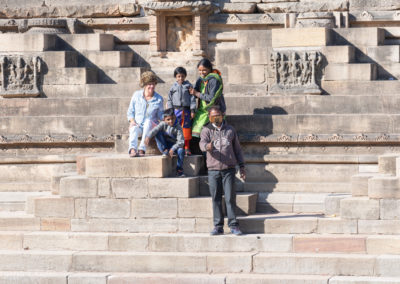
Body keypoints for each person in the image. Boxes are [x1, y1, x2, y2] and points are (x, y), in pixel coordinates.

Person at [200, 106, 246, 236]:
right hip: (213, 170)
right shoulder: (206, 130)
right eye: (213, 116)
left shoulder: (230, 130)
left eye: (218, 115)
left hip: (229, 170)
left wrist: (242, 166)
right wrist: (207, 146)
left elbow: (237, 149)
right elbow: (201, 144)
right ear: (209, 117)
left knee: (230, 197)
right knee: (216, 198)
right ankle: (218, 226)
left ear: (222, 115)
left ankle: (233, 225)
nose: (216, 118)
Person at [127, 71, 164, 157]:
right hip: (139, 126)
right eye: (149, 84)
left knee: (148, 121)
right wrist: (132, 121)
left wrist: (166, 115)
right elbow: (130, 112)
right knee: (134, 128)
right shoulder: (136, 95)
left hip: (151, 127)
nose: (151, 86)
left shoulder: (159, 99)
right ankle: (132, 149)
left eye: (153, 84)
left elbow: (160, 116)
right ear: (144, 84)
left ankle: (142, 149)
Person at [190, 58, 226, 139]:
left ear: (210, 69)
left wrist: (196, 93)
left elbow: (211, 97)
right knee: (200, 133)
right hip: (202, 110)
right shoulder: (200, 79)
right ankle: (205, 150)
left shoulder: (214, 79)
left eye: (204, 70)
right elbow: (195, 92)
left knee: (216, 133)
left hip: (216, 110)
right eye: (199, 70)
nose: (201, 73)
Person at [145, 108, 185, 177]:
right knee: (157, 132)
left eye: (172, 118)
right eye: (168, 119)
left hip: (174, 146)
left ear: (175, 117)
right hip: (166, 145)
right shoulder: (163, 124)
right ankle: (164, 150)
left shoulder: (178, 127)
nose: (171, 121)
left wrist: (173, 148)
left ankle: (179, 169)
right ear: (164, 119)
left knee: (181, 150)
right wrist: (148, 136)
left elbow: (181, 141)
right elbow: (155, 129)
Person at [167, 67, 196, 156]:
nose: (180, 78)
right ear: (175, 77)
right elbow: (169, 99)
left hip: (186, 111)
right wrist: (171, 110)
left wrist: (192, 110)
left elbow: (192, 99)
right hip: (176, 111)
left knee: (186, 129)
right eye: (178, 76)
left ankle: (186, 147)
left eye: (182, 76)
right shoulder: (173, 87)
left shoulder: (188, 86)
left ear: (185, 76)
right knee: (176, 129)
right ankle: (176, 147)